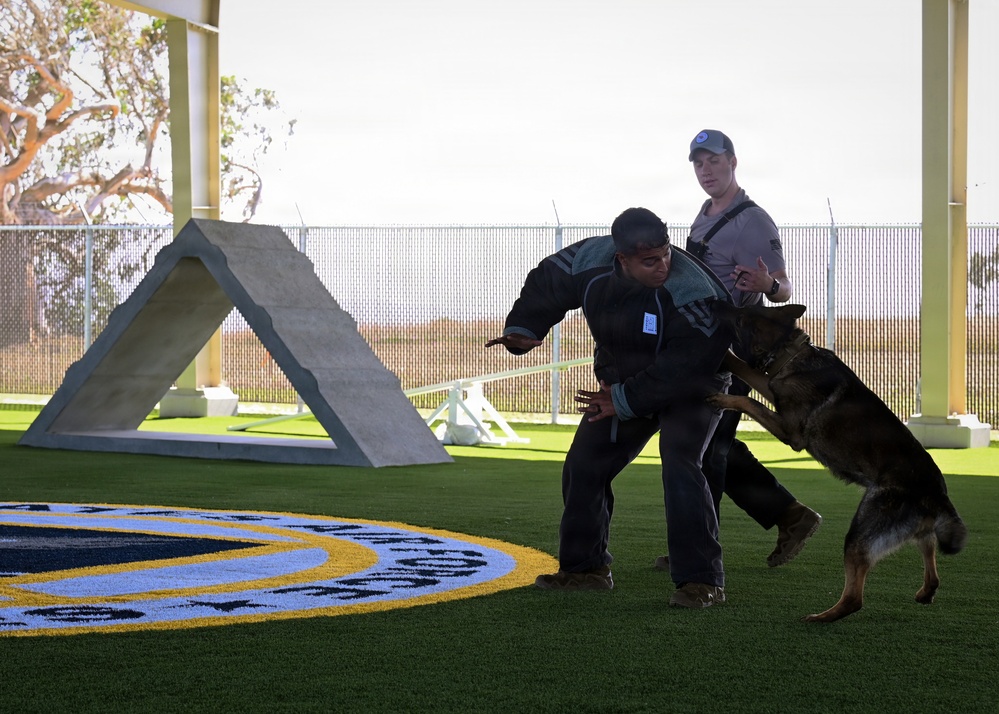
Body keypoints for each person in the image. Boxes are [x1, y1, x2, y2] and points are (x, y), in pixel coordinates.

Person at [486, 207, 732, 608]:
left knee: (680, 462)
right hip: (622, 385)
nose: (663, 265)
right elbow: (549, 280)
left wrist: (622, 400)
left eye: (666, 254)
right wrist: (525, 327)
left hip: (694, 385)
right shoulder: (588, 260)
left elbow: (688, 365)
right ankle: (586, 570)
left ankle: (703, 581)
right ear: (622, 259)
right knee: (585, 464)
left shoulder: (696, 291)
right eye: (649, 260)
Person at [679, 129, 822, 569]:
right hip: (703, 341)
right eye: (699, 163)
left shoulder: (752, 220)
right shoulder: (705, 213)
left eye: (714, 161)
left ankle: (703, 548)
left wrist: (769, 285)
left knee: (711, 444)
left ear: (733, 162)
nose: (706, 171)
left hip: (733, 342)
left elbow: (784, 287)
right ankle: (788, 514)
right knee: (705, 442)